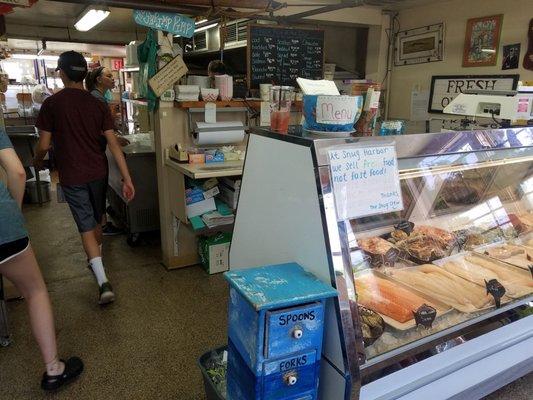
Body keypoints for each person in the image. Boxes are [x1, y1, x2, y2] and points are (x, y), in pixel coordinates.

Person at [34, 51, 135, 305]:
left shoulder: (52, 104)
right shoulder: (97, 105)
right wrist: (127, 178)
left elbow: (44, 145)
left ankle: (103, 282)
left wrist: (36, 161)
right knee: (97, 219)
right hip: (98, 172)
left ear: (62, 73)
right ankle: (96, 260)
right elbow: (113, 144)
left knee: (85, 225)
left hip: (72, 174)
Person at [0, 128, 84, 391]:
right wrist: (13, 211)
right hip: (4, 230)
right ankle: (53, 369)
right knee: (35, 291)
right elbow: (17, 172)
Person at [85, 66, 129, 236]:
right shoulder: (97, 99)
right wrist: (116, 139)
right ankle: (102, 225)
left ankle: (101, 221)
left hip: (95, 149)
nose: (113, 79)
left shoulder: (97, 97)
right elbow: (100, 129)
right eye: (109, 76)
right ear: (98, 79)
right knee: (98, 189)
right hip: (95, 151)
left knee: (100, 189)